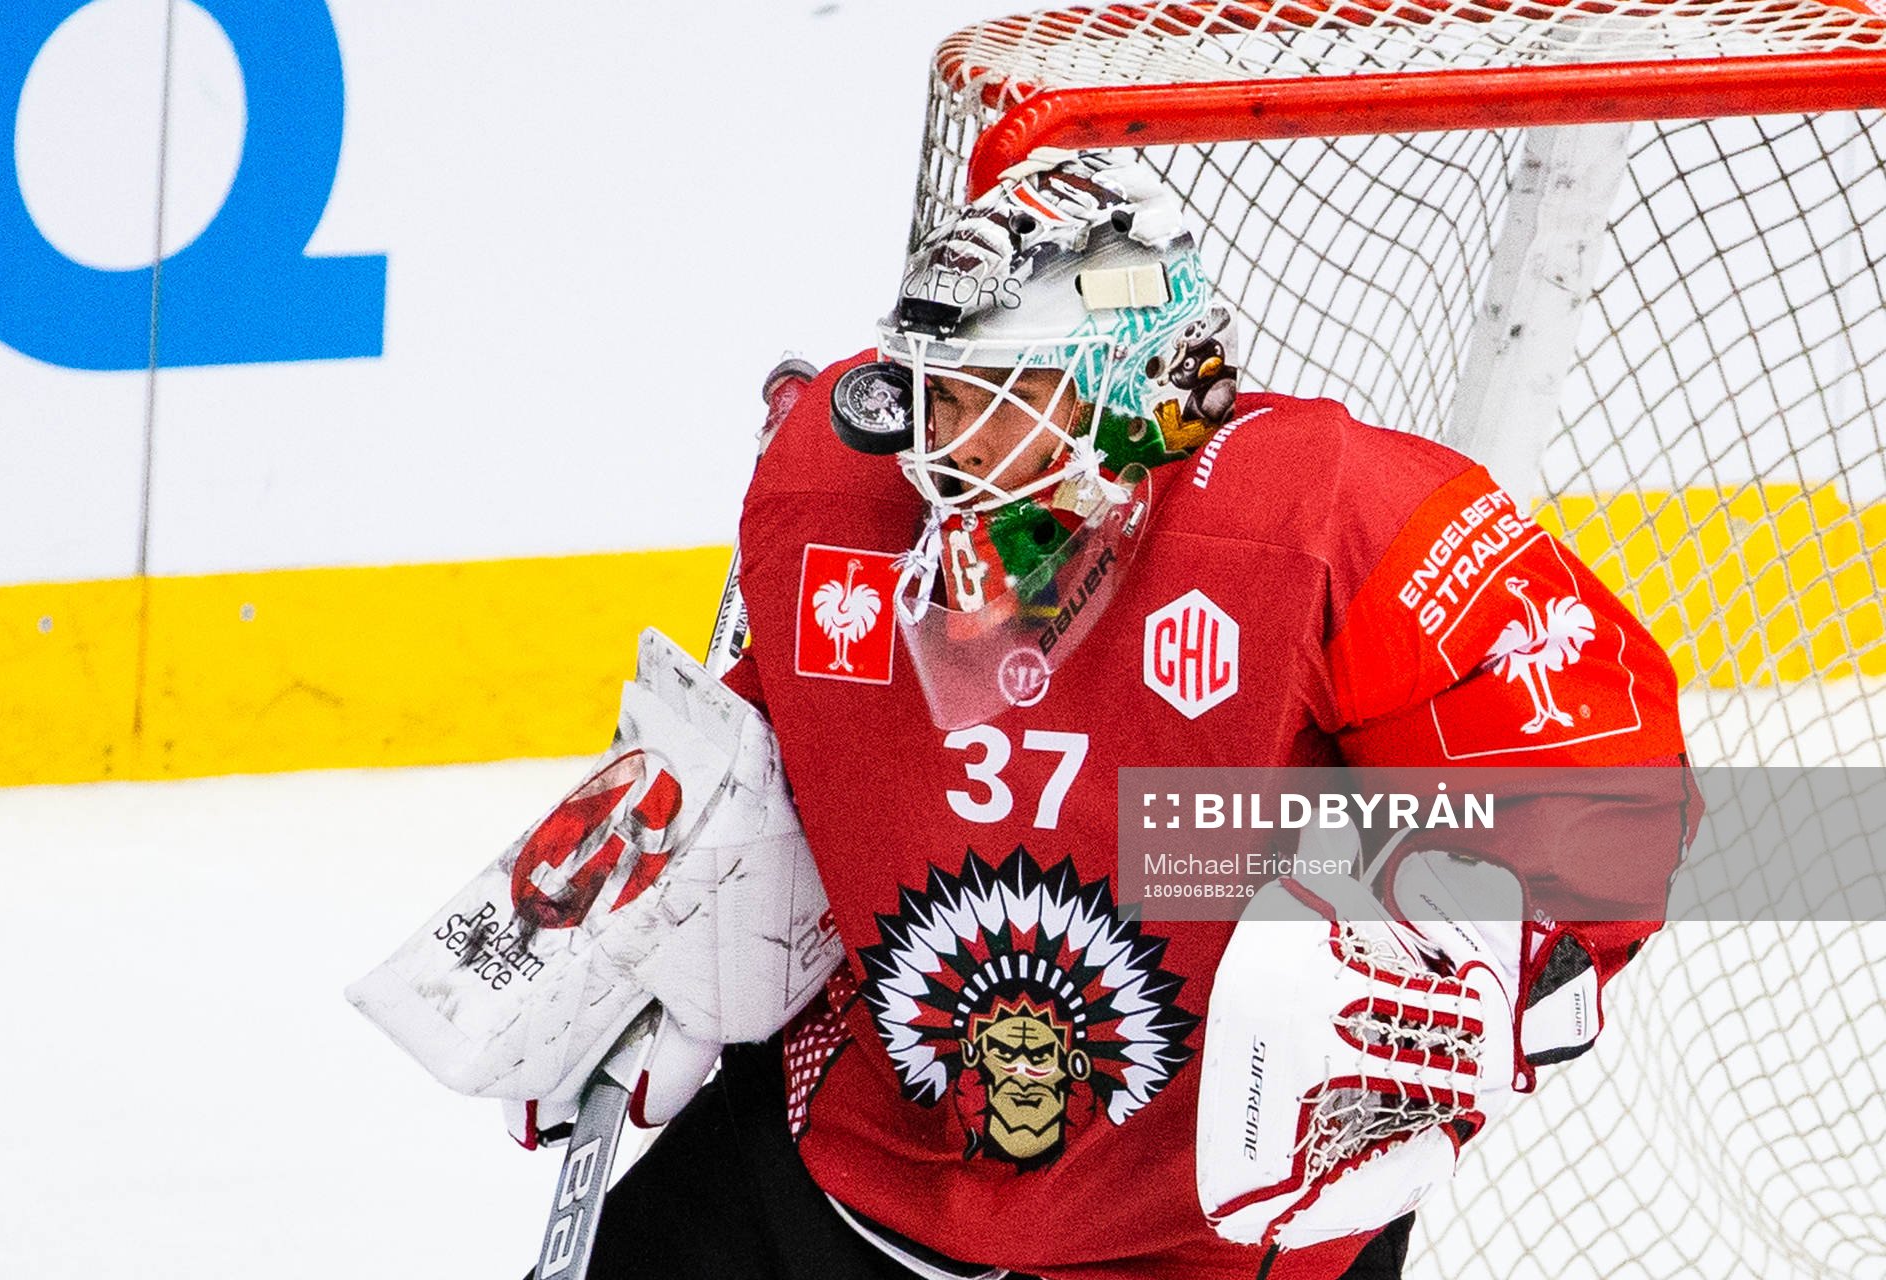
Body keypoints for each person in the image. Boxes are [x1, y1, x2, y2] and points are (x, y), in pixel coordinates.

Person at [531, 150, 1694, 1280]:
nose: (951, 445)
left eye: (1009, 397)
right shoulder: (832, 487)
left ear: (1142, 389)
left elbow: (1611, 802)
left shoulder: (1329, 519)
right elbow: (778, 737)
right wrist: (689, 859)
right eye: (940, 393)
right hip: (860, 1160)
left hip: (1202, 1233)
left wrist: (1485, 978)